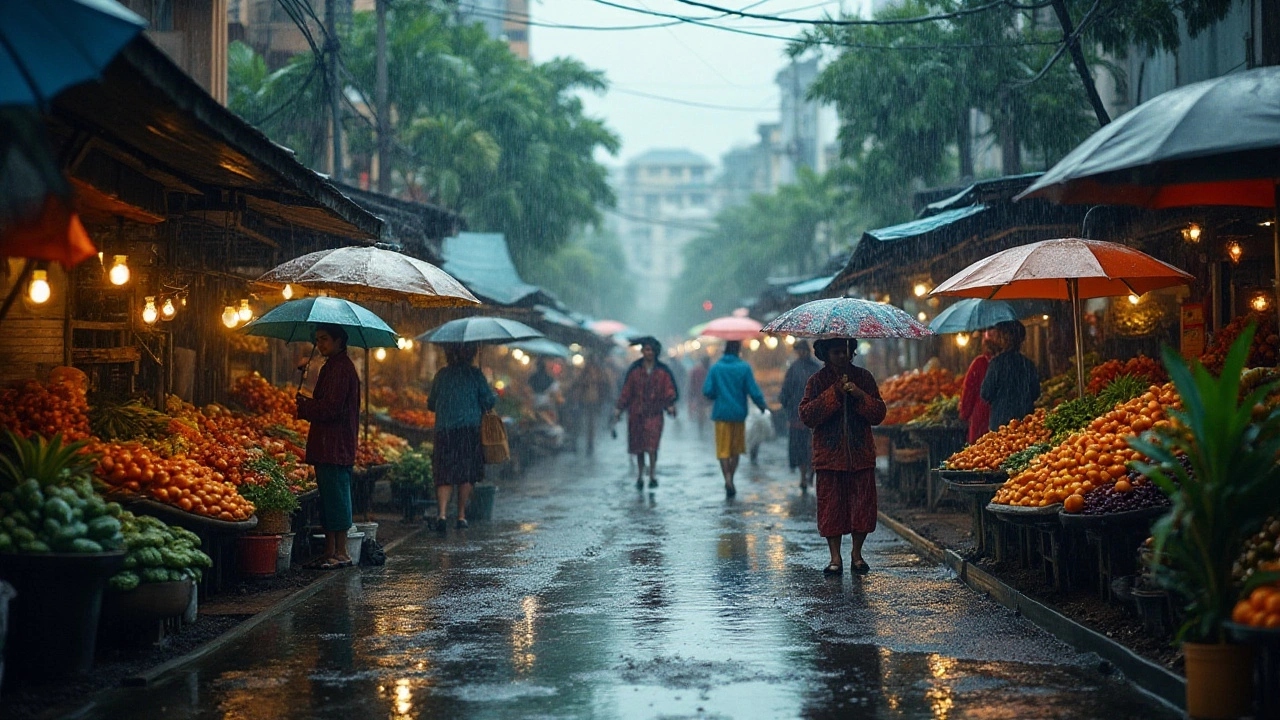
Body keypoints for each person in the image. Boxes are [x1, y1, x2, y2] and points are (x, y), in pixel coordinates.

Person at [800, 338, 887, 576]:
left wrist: (859, 396)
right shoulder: (816, 382)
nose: (841, 356)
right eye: (836, 352)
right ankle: (835, 556)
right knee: (831, 508)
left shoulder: (864, 378)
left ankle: (857, 554)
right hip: (829, 456)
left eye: (845, 351)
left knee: (863, 508)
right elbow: (807, 415)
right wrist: (834, 394)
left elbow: (879, 413)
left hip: (860, 455)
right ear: (826, 355)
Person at [296, 324, 361, 570]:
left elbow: (331, 408)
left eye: (324, 339)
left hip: (335, 444)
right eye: (318, 340)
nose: (320, 344)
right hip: (328, 444)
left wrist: (306, 407)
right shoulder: (332, 367)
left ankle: (341, 552)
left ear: (339, 341)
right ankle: (330, 551)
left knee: (337, 499)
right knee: (329, 499)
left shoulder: (341, 370)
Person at [427, 343, 497, 531]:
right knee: (466, 473)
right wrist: (489, 388)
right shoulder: (475, 375)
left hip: (445, 430)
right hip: (468, 430)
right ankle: (460, 515)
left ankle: (441, 514)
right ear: (472, 354)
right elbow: (488, 401)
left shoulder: (442, 375)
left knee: (444, 472)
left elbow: (431, 404)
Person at [702, 340, 767, 497]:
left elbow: (707, 390)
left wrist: (718, 393)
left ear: (725, 350)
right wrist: (762, 405)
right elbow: (753, 390)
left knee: (723, 450)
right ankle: (732, 477)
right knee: (736, 449)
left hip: (721, 415)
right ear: (738, 350)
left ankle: (728, 479)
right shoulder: (744, 368)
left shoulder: (716, 368)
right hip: (739, 415)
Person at [612, 338, 678, 489]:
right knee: (639, 447)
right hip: (637, 414)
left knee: (652, 446)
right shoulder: (634, 371)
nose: (649, 353)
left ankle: (652, 474)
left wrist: (670, 405)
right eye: (646, 350)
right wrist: (619, 408)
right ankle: (640, 475)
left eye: (651, 350)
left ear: (655, 352)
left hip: (654, 413)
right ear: (642, 351)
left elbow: (668, 390)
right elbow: (627, 391)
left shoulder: (662, 372)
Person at [980, 320, 1040, 431]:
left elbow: (985, 393)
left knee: (1002, 447)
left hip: (1000, 422)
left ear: (1003, 339)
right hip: (1025, 422)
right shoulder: (1028, 364)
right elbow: (1036, 392)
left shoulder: (997, 363)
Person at [779, 340, 822, 491]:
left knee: (809, 447)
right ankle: (805, 476)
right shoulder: (796, 369)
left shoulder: (814, 369)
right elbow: (785, 392)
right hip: (801, 416)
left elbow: (784, 394)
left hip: (810, 416)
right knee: (803, 448)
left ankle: (809, 475)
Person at [959, 329, 1000, 443]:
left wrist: (964, 414)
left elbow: (969, 392)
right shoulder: (1012, 364)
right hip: (1004, 419)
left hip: (982, 420)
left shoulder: (979, 363)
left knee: (980, 455)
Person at [569, 353, 612, 454]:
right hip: (583, 400)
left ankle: (589, 444)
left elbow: (605, 386)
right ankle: (577, 443)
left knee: (590, 423)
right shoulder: (585, 373)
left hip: (593, 400)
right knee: (580, 422)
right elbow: (577, 384)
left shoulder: (599, 373)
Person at [687, 356, 712, 433]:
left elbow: (691, 384)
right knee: (702, 414)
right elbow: (692, 384)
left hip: (704, 397)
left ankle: (702, 430)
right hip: (704, 397)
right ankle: (702, 430)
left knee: (702, 414)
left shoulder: (696, 370)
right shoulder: (710, 370)